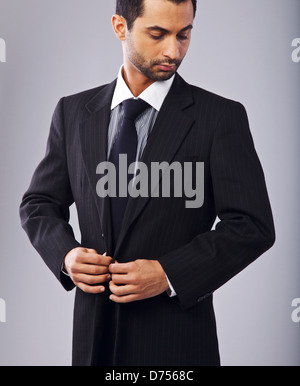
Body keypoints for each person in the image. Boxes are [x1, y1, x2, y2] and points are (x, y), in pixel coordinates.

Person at [20, 0, 275, 366]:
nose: (174, 51)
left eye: (184, 35)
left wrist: (169, 273)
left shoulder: (220, 118)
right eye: (158, 34)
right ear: (120, 27)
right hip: (94, 341)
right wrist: (66, 255)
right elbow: (39, 202)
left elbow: (253, 226)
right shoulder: (72, 112)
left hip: (176, 345)